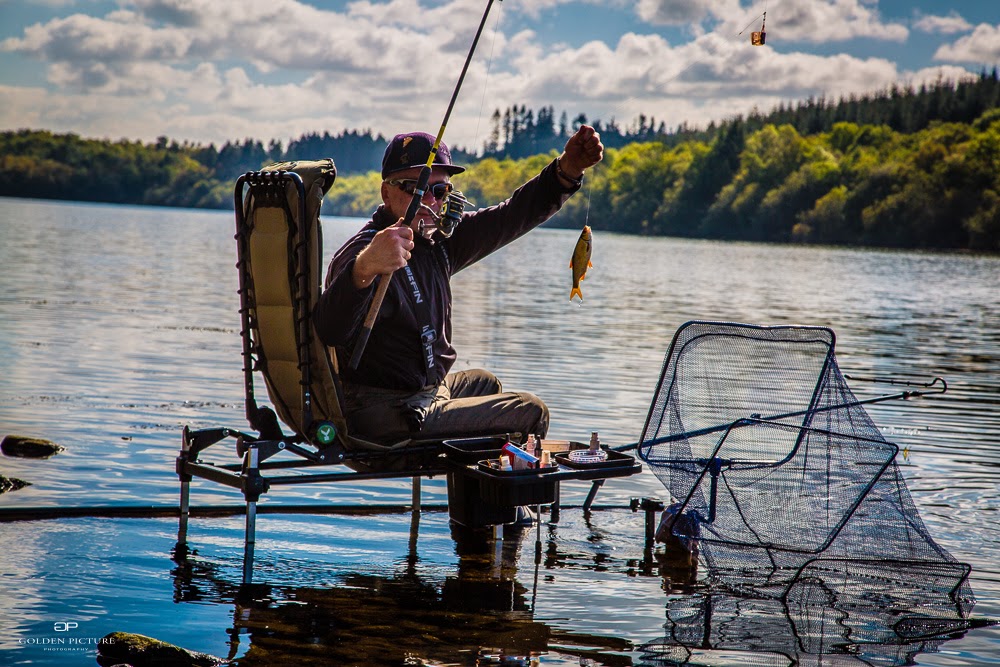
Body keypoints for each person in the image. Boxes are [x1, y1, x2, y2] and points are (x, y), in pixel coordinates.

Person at [313, 126, 603, 445]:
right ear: (386, 193)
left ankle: (476, 491)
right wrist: (365, 268)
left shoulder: (439, 242)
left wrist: (567, 170)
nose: (429, 200)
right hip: (386, 412)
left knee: (486, 383)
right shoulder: (362, 253)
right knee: (531, 411)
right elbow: (329, 330)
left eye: (439, 191)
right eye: (415, 187)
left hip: (427, 393)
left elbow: (511, 216)